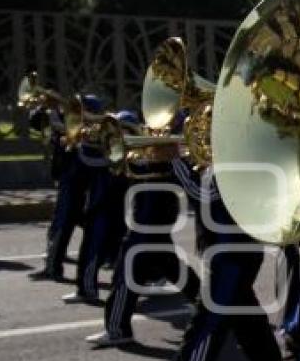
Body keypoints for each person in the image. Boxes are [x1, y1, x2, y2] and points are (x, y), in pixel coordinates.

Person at [127, 154, 281, 361]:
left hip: (233, 253)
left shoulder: (236, 155)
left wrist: (177, 164)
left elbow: (205, 194)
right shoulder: (224, 153)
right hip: (227, 252)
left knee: (203, 332)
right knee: (249, 324)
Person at [85, 114, 200, 346]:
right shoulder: (148, 150)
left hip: (153, 221)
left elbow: (188, 183)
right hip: (146, 219)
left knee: (126, 271)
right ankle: (213, 309)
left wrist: (169, 156)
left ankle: (118, 329)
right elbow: (128, 171)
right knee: (172, 267)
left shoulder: (174, 151)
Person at [61, 95, 121, 305]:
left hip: (105, 200)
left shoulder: (109, 131)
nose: (82, 120)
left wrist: (81, 143)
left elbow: (96, 162)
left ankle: (87, 289)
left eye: (85, 113)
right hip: (101, 199)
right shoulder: (90, 138)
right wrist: (77, 141)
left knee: (94, 244)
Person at [27, 102, 89, 282]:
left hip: (74, 179)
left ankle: (53, 268)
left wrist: (55, 120)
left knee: (61, 224)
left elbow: (75, 138)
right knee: (75, 220)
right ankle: (112, 251)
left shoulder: (75, 123)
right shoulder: (56, 123)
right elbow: (35, 122)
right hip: (67, 177)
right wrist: (45, 111)